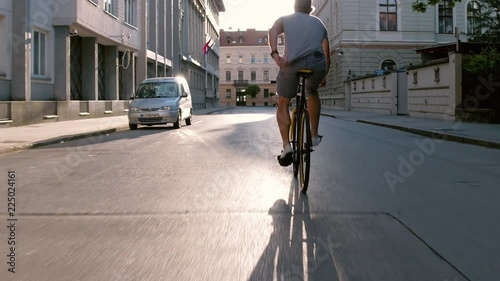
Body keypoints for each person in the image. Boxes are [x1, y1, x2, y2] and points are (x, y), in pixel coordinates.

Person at [268, 0, 330, 166]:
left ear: (294, 7)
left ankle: (287, 146)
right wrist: (323, 75)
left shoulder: (286, 19)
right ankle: (314, 135)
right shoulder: (319, 23)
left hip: (291, 64)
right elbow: (327, 53)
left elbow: (273, 30)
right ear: (310, 9)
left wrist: (275, 54)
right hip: (317, 64)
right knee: (312, 91)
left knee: (283, 102)